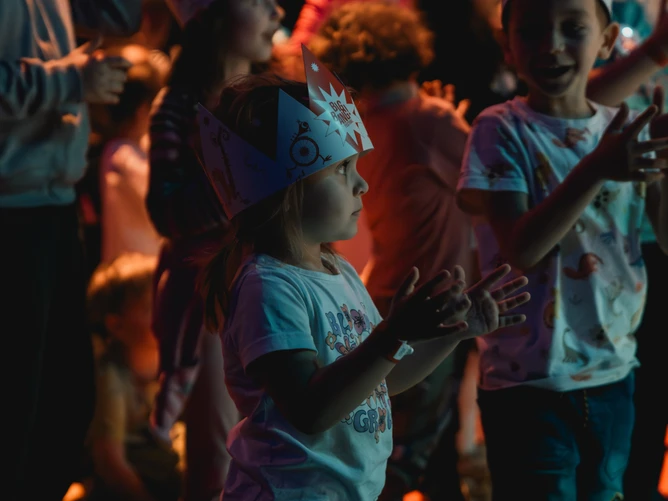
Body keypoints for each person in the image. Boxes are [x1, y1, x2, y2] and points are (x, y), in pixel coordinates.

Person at [196, 46, 530, 500]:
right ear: (285, 191)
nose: (363, 183)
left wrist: (454, 333)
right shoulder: (267, 288)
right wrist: (391, 334)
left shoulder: (338, 270)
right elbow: (310, 409)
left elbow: (378, 382)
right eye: (342, 169)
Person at [456, 0, 668, 499]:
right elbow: (520, 250)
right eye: (530, 31)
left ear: (609, 39)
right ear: (507, 45)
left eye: (572, 28)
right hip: (528, 384)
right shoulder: (500, 128)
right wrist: (595, 168)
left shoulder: (623, 128)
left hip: (615, 371)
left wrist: (661, 173)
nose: (550, 45)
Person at [309, 3, 475, 499]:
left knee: (389, 429)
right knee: (414, 442)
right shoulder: (430, 119)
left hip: (382, 290)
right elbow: (482, 178)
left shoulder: (357, 133)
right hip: (434, 298)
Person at [0, 1, 141, 499]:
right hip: (11, 211)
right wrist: (69, 81)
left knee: (63, 400)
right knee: (18, 404)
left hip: (52, 202)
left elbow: (123, 17)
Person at [146, 1, 285, 499]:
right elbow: (166, 211)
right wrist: (240, 177)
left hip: (283, 285)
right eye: (259, 1)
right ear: (215, 18)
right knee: (218, 447)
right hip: (211, 289)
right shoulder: (178, 105)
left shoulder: (275, 99)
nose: (276, 10)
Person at [87, 253, 182, 501]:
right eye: (150, 307)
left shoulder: (175, 362)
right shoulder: (111, 378)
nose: (165, 313)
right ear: (116, 326)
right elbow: (110, 462)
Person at [100, 44, 165, 263]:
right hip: (136, 270)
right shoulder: (122, 155)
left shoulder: (126, 150)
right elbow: (158, 198)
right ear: (142, 111)